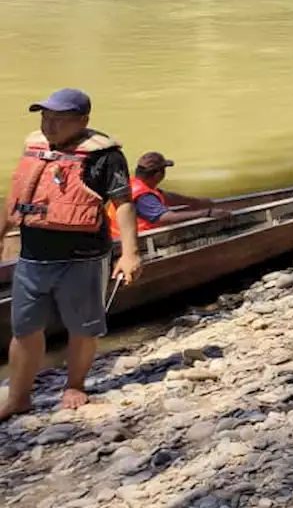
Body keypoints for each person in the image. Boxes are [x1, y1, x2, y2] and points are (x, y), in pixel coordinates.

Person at [0, 89, 142, 420]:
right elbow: (15, 198)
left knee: (83, 327)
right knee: (24, 330)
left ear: (83, 121)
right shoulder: (35, 147)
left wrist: (130, 253)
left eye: (59, 120)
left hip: (83, 257)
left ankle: (75, 385)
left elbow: (124, 205)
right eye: (45, 118)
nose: (49, 126)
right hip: (32, 258)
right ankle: (18, 397)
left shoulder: (104, 156)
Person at [110, 152, 229, 237]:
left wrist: (197, 202)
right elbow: (165, 218)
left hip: (117, 235)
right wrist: (206, 213)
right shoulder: (144, 197)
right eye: (164, 170)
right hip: (138, 241)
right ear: (157, 175)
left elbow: (168, 197)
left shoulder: (133, 183)